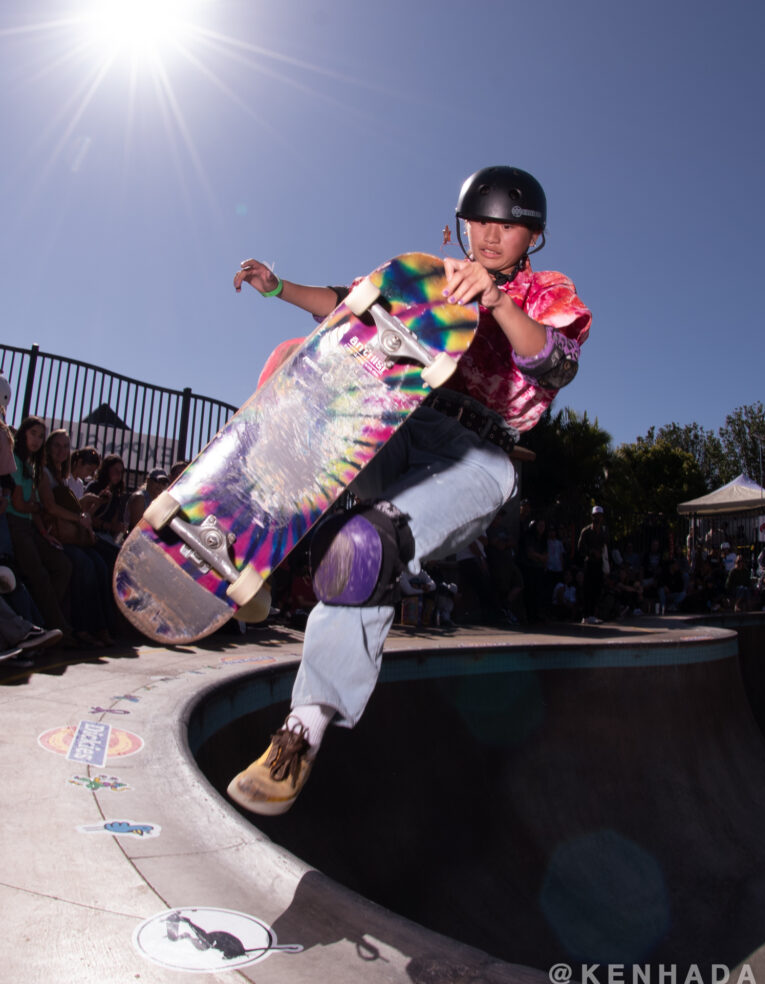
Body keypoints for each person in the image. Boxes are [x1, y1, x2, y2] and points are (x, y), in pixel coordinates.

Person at [227, 165, 591, 814]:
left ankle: (301, 731)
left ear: (530, 238)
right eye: (478, 222)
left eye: (505, 227)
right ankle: (256, 542)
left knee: (365, 549)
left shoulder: (545, 290)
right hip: (401, 421)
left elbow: (554, 360)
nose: (487, 236)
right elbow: (348, 304)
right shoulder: (430, 277)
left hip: (475, 458)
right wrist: (278, 286)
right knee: (294, 354)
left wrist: (499, 301)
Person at [40, 430, 117, 646]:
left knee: (100, 565)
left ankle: (102, 625)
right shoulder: (46, 474)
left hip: (71, 534)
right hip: (55, 534)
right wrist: (80, 513)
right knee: (85, 565)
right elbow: (51, 507)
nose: (62, 451)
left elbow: (76, 511)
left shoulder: (63, 478)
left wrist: (91, 506)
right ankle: (84, 627)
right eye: (57, 446)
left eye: (65, 446)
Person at [5, 416, 73, 639]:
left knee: (62, 565)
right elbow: (20, 504)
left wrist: (45, 533)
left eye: (40, 436)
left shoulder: (32, 465)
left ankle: (43, 617)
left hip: (31, 526)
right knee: (38, 574)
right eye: (32, 433)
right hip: (15, 524)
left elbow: (33, 508)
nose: (36, 439)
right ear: (23, 433)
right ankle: (57, 628)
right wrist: (35, 507)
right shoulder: (13, 459)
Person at [577, 506, 608, 624]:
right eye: (596, 516)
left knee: (597, 589)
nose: (598, 518)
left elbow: (606, 546)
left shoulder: (603, 532)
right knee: (587, 589)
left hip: (599, 564)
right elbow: (580, 548)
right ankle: (586, 614)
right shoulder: (586, 531)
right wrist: (591, 552)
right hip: (589, 563)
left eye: (599, 516)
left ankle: (592, 614)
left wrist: (601, 554)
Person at [126, 467, 170, 533]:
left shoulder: (159, 502)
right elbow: (136, 528)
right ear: (148, 480)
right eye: (157, 481)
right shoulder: (140, 498)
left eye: (163, 483)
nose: (160, 485)